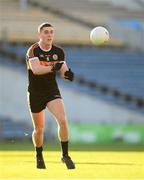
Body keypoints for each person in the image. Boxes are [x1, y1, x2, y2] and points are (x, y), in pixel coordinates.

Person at [26, 22, 75, 169]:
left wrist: (68, 75)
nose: (49, 35)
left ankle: (65, 155)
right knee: (39, 129)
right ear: (39, 35)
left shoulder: (58, 51)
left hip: (51, 91)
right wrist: (53, 67)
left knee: (63, 120)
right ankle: (39, 154)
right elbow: (36, 70)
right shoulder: (33, 50)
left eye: (51, 32)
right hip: (35, 92)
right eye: (46, 32)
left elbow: (63, 70)